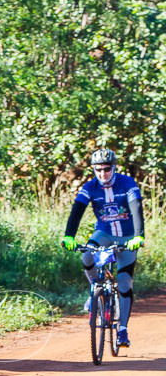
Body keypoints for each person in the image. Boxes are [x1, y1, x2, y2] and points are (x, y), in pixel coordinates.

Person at [60, 148, 144, 347]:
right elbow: (77, 211)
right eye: (98, 170)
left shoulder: (128, 184)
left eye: (107, 169)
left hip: (127, 235)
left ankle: (122, 330)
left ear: (114, 168)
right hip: (104, 233)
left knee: (124, 283)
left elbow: (137, 208)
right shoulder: (90, 187)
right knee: (87, 255)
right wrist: (69, 236)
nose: (102, 174)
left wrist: (138, 236)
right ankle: (94, 289)